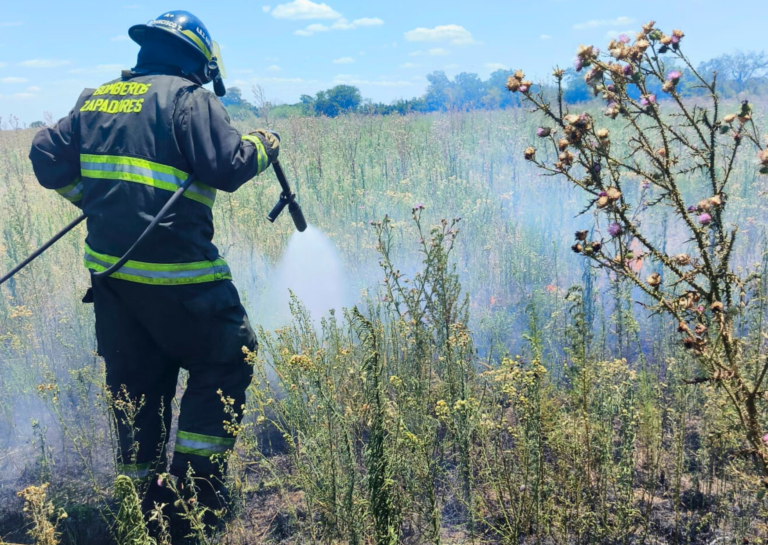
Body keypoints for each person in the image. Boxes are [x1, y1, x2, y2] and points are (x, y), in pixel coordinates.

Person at [28, 10, 277, 524]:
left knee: (136, 386)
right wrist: (264, 145)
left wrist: (95, 203)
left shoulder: (96, 97)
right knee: (230, 359)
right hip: (183, 281)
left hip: (115, 283)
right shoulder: (188, 99)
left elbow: (45, 154)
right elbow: (229, 167)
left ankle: (138, 503)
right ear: (201, 61)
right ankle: (195, 492)